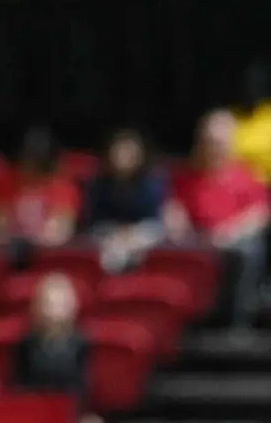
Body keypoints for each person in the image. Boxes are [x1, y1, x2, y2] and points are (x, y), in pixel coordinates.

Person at [167, 109, 269, 326]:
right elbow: (174, 209)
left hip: (231, 241)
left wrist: (230, 233)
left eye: (219, 142)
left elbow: (259, 214)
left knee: (248, 251)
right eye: (208, 140)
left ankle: (235, 323)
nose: (213, 147)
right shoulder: (185, 176)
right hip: (194, 239)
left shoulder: (246, 174)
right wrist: (179, 227)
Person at [13, 273, 101, 423]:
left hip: (72, 412)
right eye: (49, 303)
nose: (54, 311)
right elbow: (19, 386)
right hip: (36, 412)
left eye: (60, 303)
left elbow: (84, 387)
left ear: (72, 304)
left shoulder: (82, 343)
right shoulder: (25, 343)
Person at [0, 126, 80, 259]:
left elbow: (59, 232)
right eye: (27, 159)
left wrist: (32, 242)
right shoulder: (3, 184)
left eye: (38, 162)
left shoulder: (63, 187)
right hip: (6, 255)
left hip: (48, 257)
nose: (31, 167)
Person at [83, 129, 168, 273]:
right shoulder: (99, 184)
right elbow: (94, 221)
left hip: (142, 235)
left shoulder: (152, 184)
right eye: (119, 152)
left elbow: (155, 221)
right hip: (108, 235)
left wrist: (132, 233)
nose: (122, 157)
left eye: (129, 153)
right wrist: (117, 233)